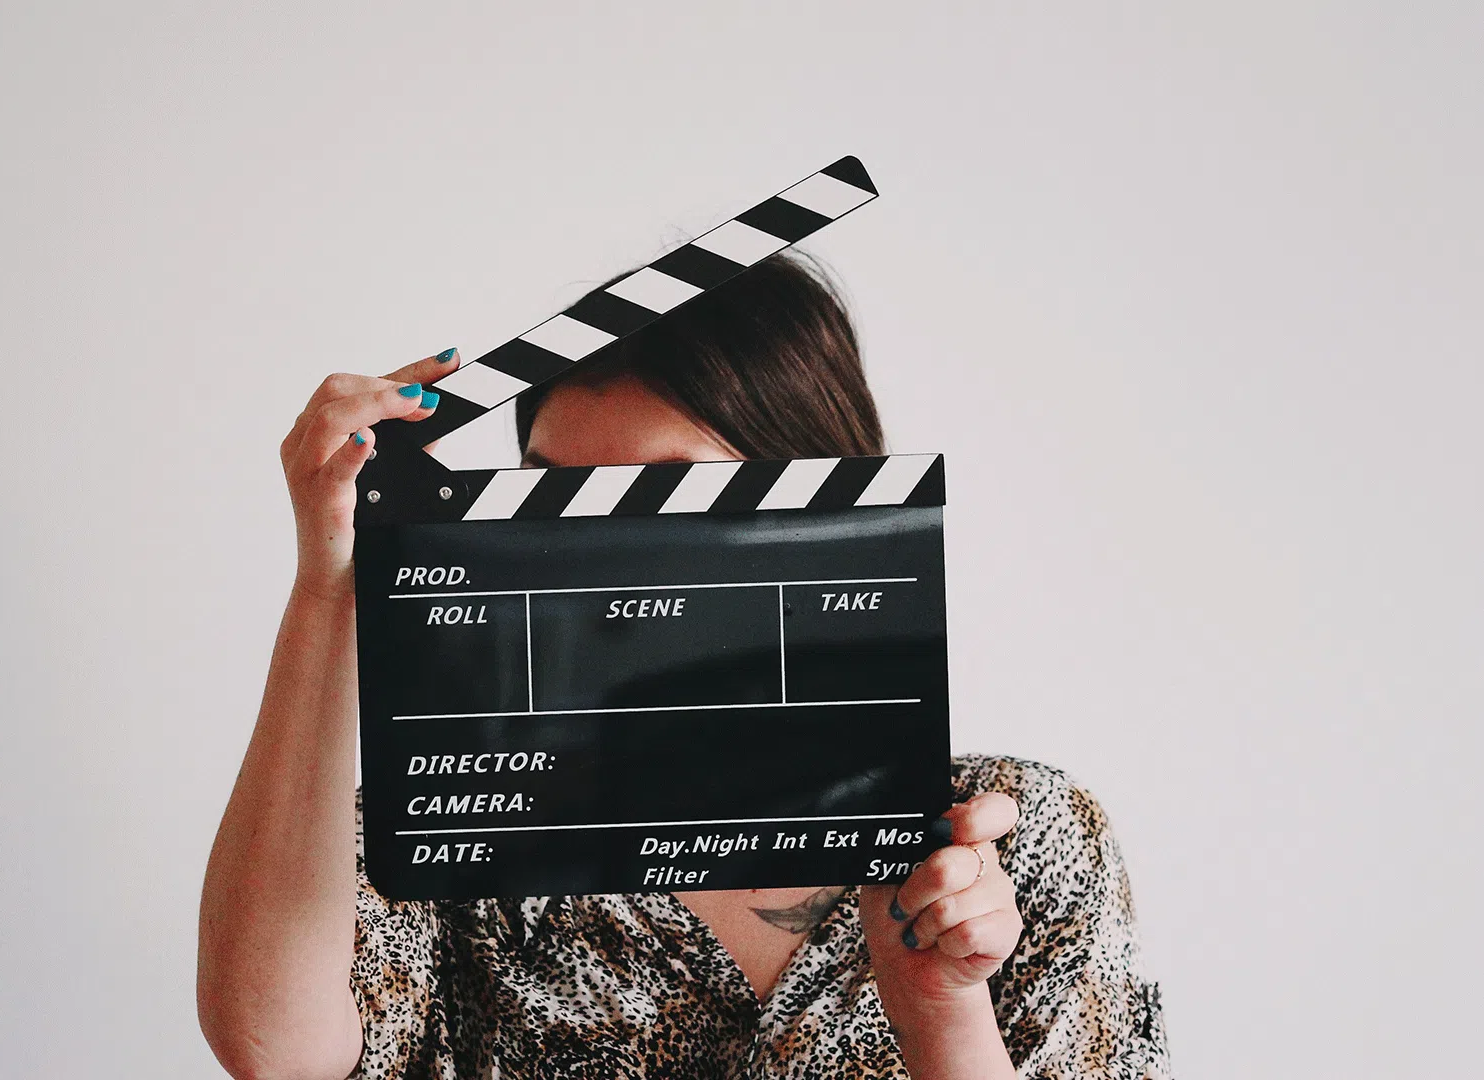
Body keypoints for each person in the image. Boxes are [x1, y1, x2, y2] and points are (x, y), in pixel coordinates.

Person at [197, 252, 1172, 1079]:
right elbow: (271, 1048)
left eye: (663, 495)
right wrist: (333, 580)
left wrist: (943, 1012)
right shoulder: (464, 828)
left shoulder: (1016, 844)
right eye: (552, 498)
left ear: (824, 512)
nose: (598, 559)